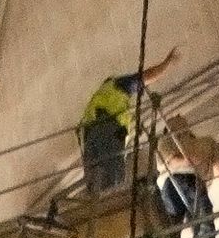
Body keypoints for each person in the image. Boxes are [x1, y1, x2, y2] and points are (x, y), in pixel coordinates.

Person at [76, 48, 178, 194]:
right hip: (106, 132)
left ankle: (100, 203)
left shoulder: (101, 98)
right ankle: (113, 200)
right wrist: (167, 63)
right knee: (114, 178)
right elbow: (146, 76)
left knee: (97, 181)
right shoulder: (117, 86)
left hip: (91, 138)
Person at [156, 118, 219, 238]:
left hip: (185, 182)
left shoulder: (206, 142)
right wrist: (188, 161)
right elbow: (172, 161)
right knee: (201, 211)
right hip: (178, 180)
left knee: (178, 220)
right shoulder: (166, 141)